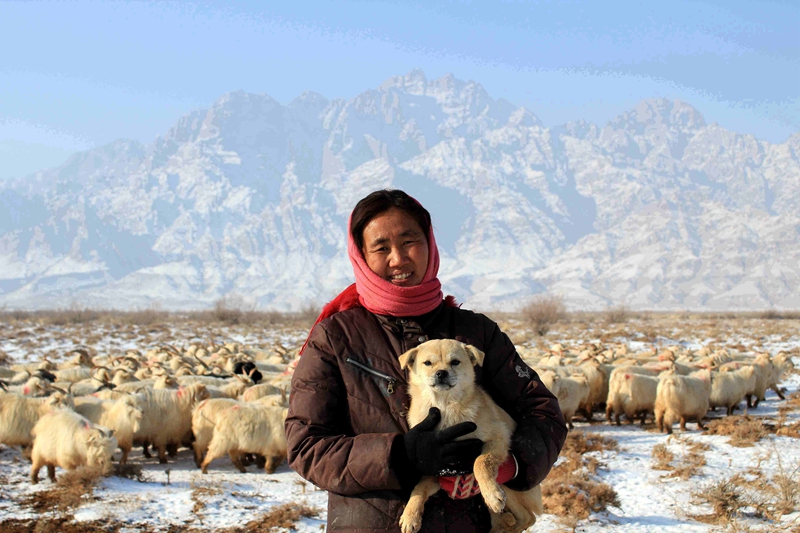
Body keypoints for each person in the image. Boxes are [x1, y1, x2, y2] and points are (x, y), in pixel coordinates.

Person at [285, 189, 567, 532]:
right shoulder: (336, 337)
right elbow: (306, 445)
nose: (398, 259)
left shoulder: (476, 332)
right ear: (361, 255)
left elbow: (543, 414)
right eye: (381, 248)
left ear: (430, 244)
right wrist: (399, 455)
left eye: (409, 241)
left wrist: (503, 466)